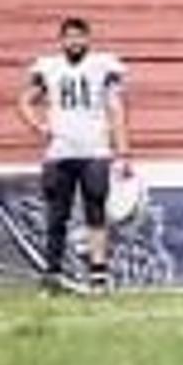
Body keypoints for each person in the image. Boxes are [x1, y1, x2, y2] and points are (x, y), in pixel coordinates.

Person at [21, 17, 127, 295]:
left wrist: (123, 151)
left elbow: (116, 110)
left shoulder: (102, 67)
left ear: (88, 39)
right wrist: (38, 126)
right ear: (62, 40)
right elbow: (24, 101)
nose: (75, 41)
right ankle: (52, 274)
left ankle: (98, 275)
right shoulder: (49, 67)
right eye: (70, 36)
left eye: (80, 36)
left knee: (96, 213)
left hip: (95, 150)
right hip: (60, 152)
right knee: (57, 216)